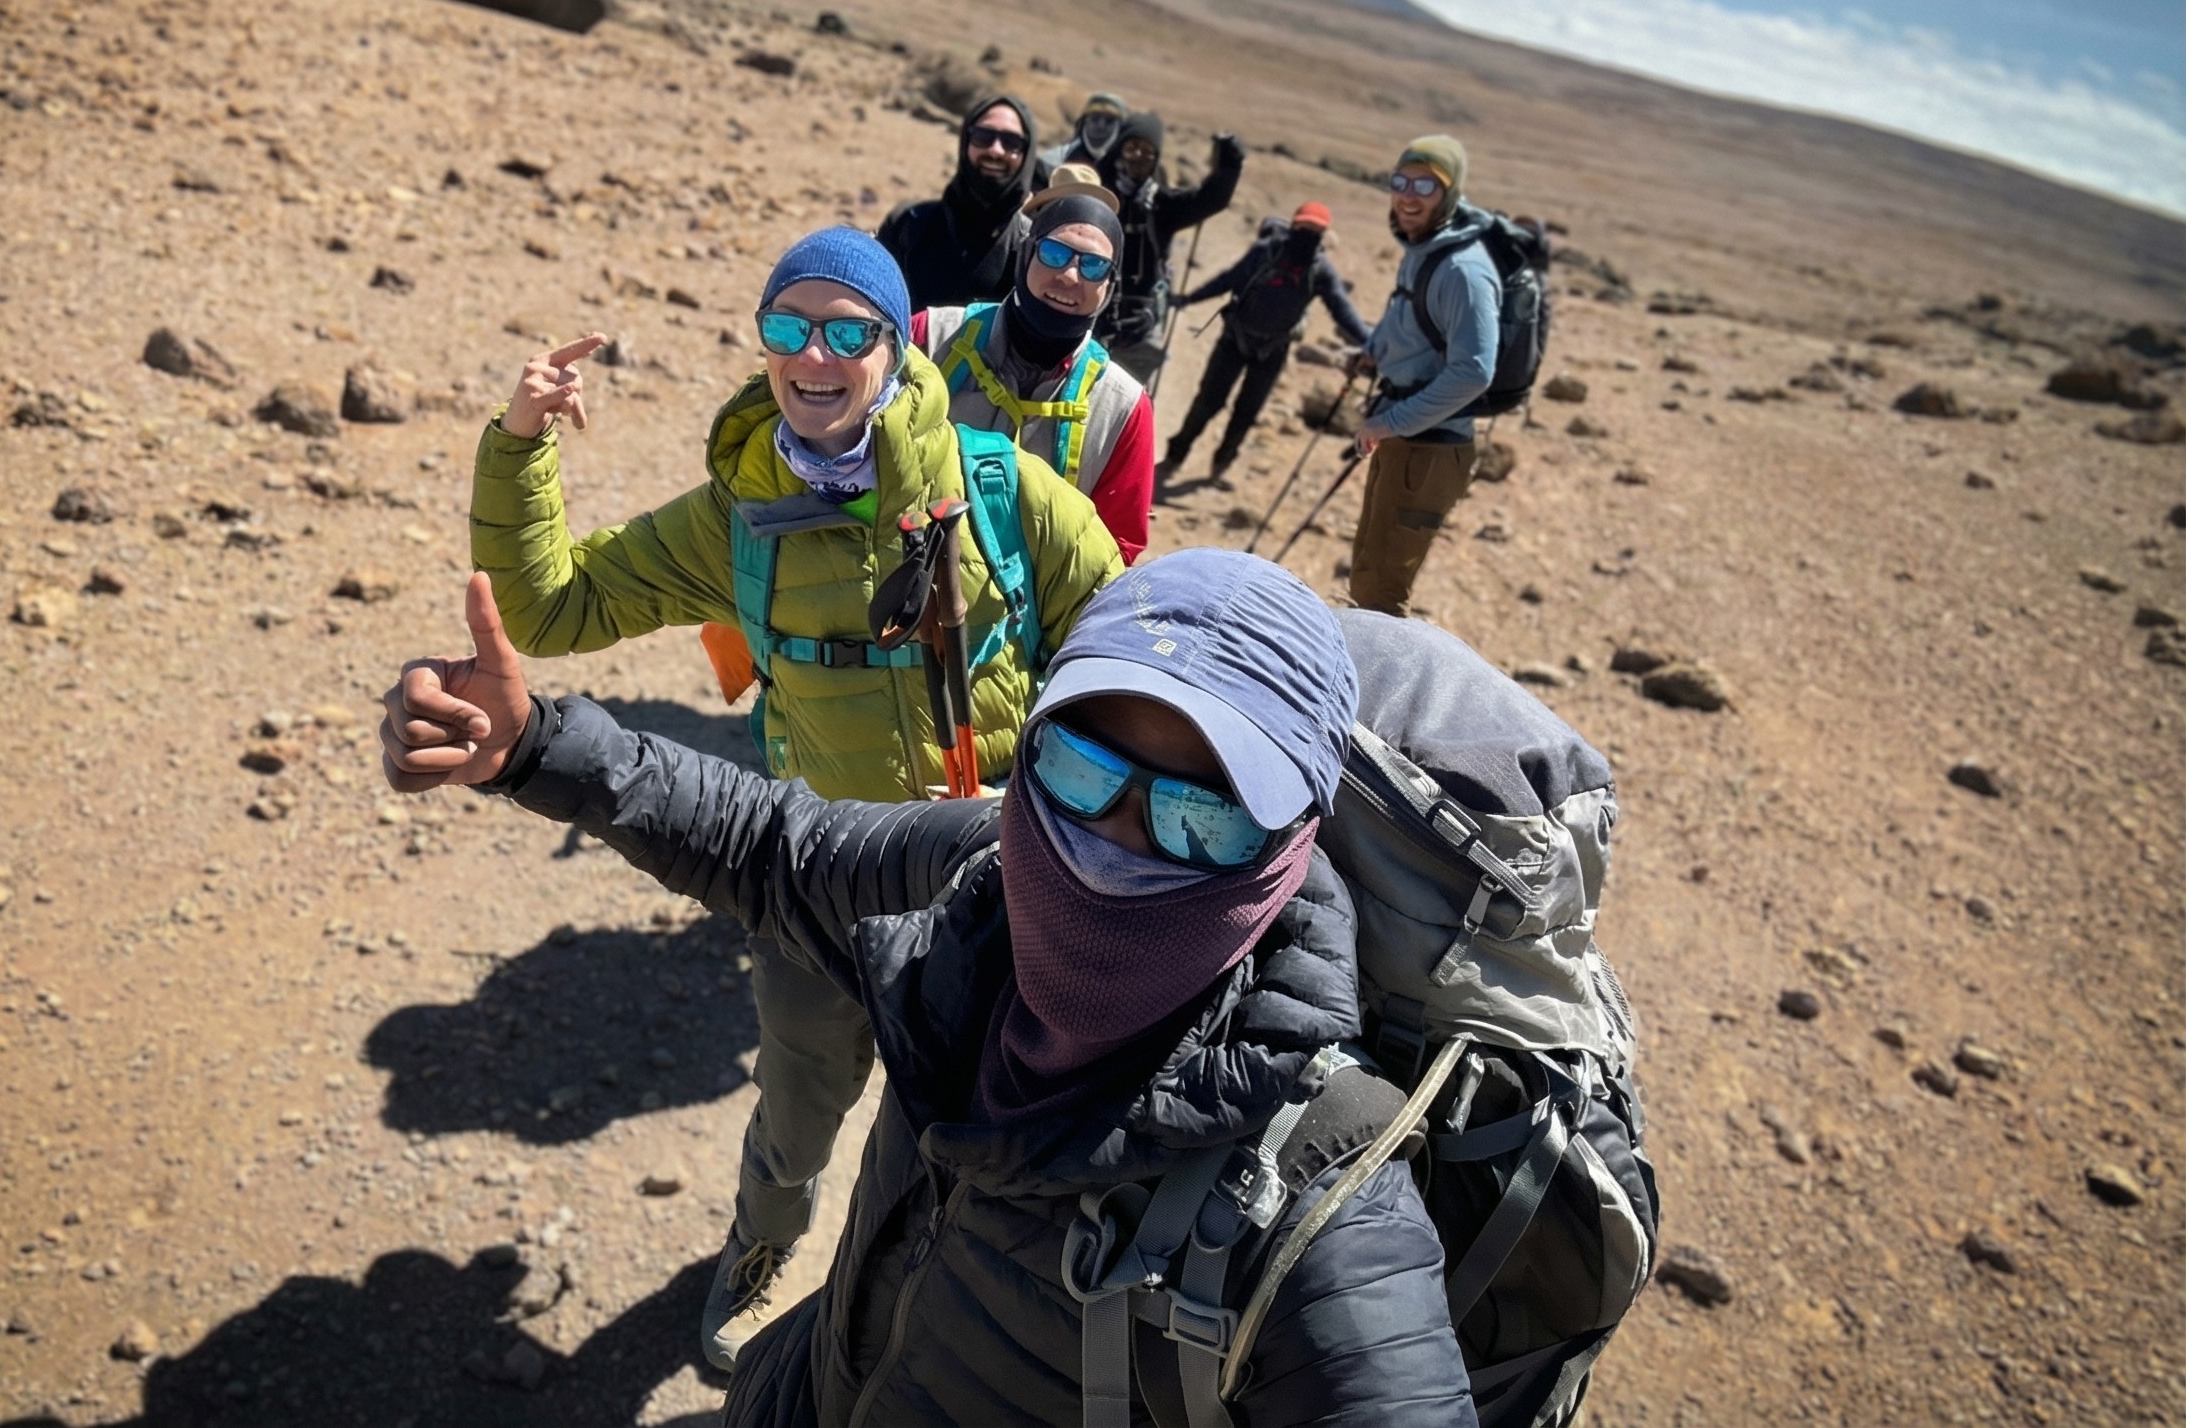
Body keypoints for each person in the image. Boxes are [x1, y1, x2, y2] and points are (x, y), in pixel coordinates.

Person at [381, 550, 1479, 1426]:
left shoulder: (1325, 1208)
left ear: (1291, 838)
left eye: (1203, 815)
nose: (1112, 846)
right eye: (1084, 771)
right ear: (1036, 746)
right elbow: (777, 845)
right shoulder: (984, 881)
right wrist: (537, 746)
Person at [468, 225, 1123, 1368]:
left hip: (999, 880)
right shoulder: (738, 516)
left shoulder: (1003, 491)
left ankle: (952, 1295)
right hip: (819, 885)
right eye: (787, 327)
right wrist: (520, 445)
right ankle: (765, 1246)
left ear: (892, 343)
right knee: (797, 1106)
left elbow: (1128, 648)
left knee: (982, 1120)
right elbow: (551, 607)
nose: (812, 355)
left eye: (845, 331)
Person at [917, 191, 1156, 563]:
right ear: (1027, 254)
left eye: (1094, 266)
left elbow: (1115, 550)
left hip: (1031, 613)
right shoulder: (931, 336)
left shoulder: (1124, 409)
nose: (1069, 275)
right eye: (1055, 253)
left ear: (1111, 287)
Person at [1347, 137, 1499, 615]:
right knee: (1369, 573)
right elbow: (1408, 321)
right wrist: (1374, 353)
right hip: (1408, 437)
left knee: (1382, 593)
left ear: (1450, 195)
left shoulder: (1462, 270)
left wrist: (1390, 422)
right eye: (1401, 181)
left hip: (1430, 447)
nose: (1408, 196)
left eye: (1426, 186)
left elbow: (1474, 371)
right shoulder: (1425, 248)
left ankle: (1377, 685)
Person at [1161, 201, 1370, 484]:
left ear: (1323, 237)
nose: (1307, 235)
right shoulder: (1266, 252)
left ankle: (1221, 464)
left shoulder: (1320, 271)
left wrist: (1371, 342)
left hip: (1273, 351)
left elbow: (1342, 309)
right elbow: (1228, 280)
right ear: (1293, 226)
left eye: (1315, 231)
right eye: (1303, 228)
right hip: (1234, 340)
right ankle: (1176, 454)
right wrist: (1188, 299)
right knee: (1208, 402)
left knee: (1246, 412)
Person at [1100, 110, 1244, 381]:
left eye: (1147, 151)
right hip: (1095, 304)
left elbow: (1208, 200)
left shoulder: (1161, 205)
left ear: (1156, 158)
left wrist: (1230, 165)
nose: (1138, 157)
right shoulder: (1099, 192)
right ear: (1119, 149)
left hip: (1143, 316)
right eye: (1131, 148)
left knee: (1125, 392)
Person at [878, 95, 1038, 311]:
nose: (995, 150)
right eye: (983, 136)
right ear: (966, 142)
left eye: (1011, 142)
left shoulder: (1035, 249)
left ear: (1026, 153)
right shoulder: (908, 224)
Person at [1035, 88, 1128, 189]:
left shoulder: (1127, 170)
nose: (1101, 126)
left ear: (1120, 127)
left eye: (1109, 121)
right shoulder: (1053, 161)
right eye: (1095, 119)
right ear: (1084, 122)